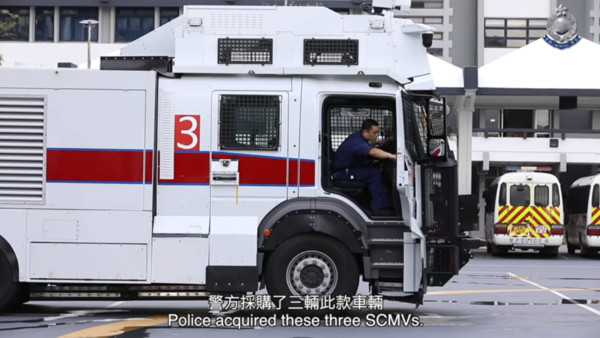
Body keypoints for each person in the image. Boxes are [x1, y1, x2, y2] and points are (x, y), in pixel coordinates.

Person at [331, 119, 397, 216]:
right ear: (365, 131)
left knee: (373, 167)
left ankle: (377, 202)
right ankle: (378, 207)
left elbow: (369, 149)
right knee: (373, 173)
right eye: (374, 133)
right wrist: (391, 156)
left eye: (377, 133)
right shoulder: (357, 141)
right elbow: (373, 152)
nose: (375, 135)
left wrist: (376, 143)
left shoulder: (359, 138)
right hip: (341, 173)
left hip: (348, 168)